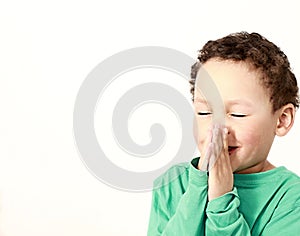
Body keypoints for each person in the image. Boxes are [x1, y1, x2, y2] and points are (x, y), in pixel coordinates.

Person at [147, 32, 300, 235]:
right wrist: (197, 188)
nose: (217, 128)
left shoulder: (291, 198)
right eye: (205, 112)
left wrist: (221, 201)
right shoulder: (173, 183)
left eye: (238, 114)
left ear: (282, 120)